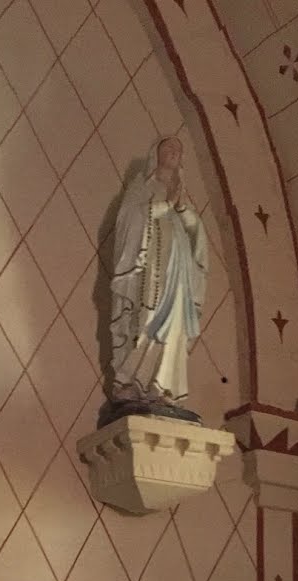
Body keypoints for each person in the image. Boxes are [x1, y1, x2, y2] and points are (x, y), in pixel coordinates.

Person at [103, 136, 209, 423]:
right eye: (168, 148)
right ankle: (133, 383)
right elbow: (130, 220)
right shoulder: (142, 186)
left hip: (179, 276)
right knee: (147, 322)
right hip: (151, 276)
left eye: (178, 150)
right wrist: (166, 205)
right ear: (156, 154)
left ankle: (163, 386)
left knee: (174, 328)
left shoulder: (180, 191)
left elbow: (196, 232)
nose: (174, 152)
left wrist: (182, 209)